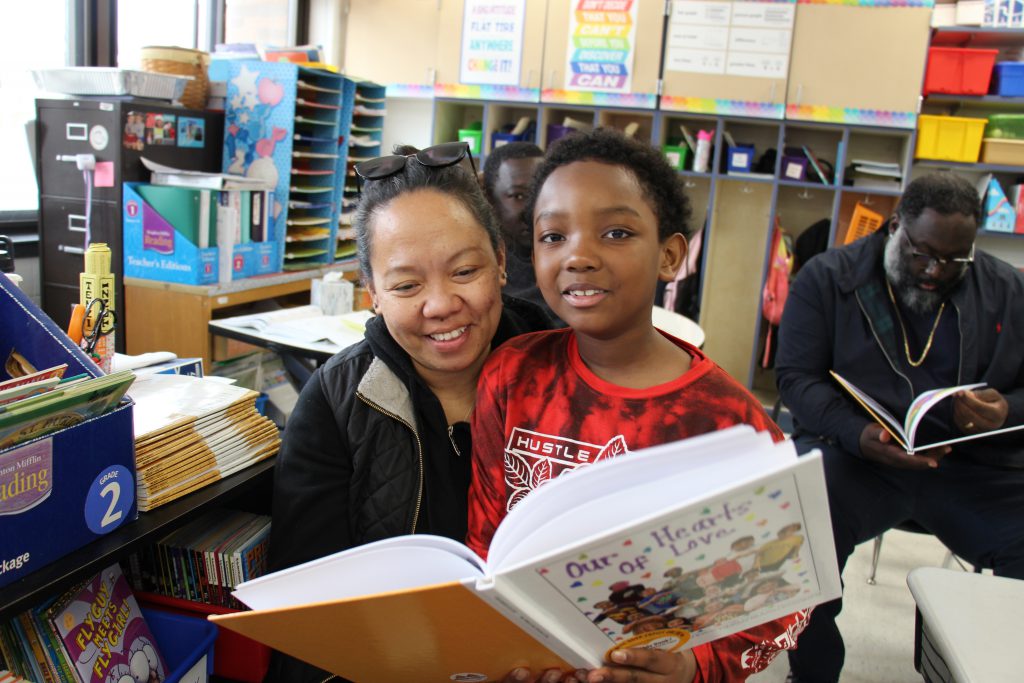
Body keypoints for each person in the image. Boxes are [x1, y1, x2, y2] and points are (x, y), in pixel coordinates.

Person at [466, 128, 809, 683]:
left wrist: (695, 668)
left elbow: (781, 600)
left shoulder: (729, 424)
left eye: (617, 232)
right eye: (553, 236)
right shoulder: (512, 374)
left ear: (670, 256)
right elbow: (485, 539)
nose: (578, 255)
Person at [265, 142, 551, 681]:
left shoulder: (570, 372)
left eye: (464, 271)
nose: (440, 304)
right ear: (372, 292)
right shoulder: (335, 402)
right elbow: (307, 616)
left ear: (501, 263)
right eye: (406, 285)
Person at [775, 173, 1024, 682]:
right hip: (857, 459)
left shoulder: (1008, 288)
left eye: (955, 260)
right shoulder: (827, 278)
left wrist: (1007, 412)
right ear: (896, 228)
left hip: (969, 467)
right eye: (922, 253)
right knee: (800, 529)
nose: (934, 271)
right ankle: (814, 674)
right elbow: (796, 379)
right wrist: (855, 434)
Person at [481, 141, 560, 323]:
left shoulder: (571, 257)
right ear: (490, 201)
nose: (534, 207)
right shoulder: (481, 271)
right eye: (518, 196)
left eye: (541, 192)